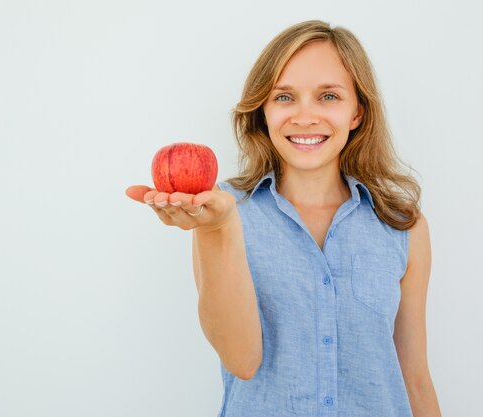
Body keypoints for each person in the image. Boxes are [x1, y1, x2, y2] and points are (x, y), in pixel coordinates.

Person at [126, 19, 441, 417]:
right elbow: (241, 360)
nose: (305, 116)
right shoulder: (223, 211)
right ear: (263, 110)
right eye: (284, 97)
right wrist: (216, 231)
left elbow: (414, 377)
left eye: (328, 97)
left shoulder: (403, 227)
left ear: (357, 112)